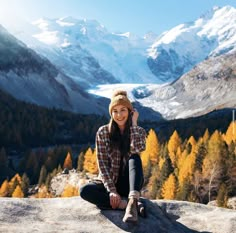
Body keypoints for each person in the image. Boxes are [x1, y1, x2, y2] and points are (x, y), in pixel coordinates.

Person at [80, 90, 146, 223]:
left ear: (130, 111)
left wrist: (133, 124)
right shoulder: (103, 132)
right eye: (115, 111)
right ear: (111, 113)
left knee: (134, 158)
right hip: (109, 182)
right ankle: (126, 205)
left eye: (123, 110)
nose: (119, 115)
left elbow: (137, 149)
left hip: (129, 184)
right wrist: (111, 191)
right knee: (85, 191)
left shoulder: (139, 131)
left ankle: (132, 200)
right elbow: (102, 164)